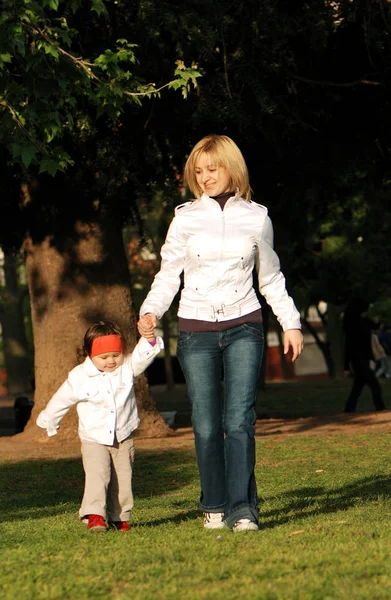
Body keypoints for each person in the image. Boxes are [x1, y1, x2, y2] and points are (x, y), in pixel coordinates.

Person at [137, 134, 303, 533]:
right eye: (198, 171)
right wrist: (150, 310)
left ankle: (243, 509)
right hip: (195, 330)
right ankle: (213, 503)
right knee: (208, 424)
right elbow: (168, 273)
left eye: (212, 169)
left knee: (240, 420)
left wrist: (291, 322)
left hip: (244, 324)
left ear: (232, 167)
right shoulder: (186, 217)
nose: (205, 177)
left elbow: (271, 276)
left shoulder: (257, 217)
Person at [36, 320, 163, 533]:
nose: (111, 361)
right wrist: (50, 420)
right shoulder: (79, 376)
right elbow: (62, 399)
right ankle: (95, 515)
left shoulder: (127, 368)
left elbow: (143, 355)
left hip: (123, 435)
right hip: (93, 437)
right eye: (104, 357)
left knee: (123, 477)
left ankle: (119, 517)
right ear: (90, 354)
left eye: (116, 355)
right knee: (98, 474)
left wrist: (149, 339)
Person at [343, 298, 386, 413]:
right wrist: (346, 366)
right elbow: (348, 347)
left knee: (358, 387)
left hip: (363, 359)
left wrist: (377, 321)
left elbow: (375, 326)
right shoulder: (355, 325)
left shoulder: (363, 321)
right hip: (358, 360)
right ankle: (380, 408)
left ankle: (349, 408)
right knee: (375, 385)